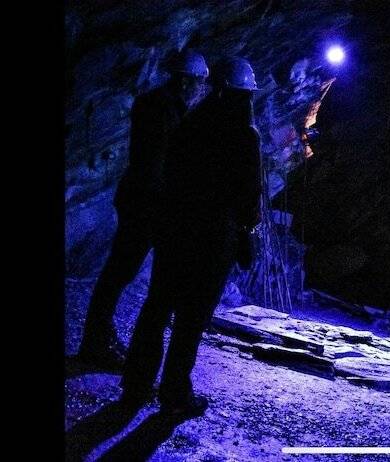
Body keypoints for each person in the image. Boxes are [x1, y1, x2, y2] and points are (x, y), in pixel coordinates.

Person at [119, 57, 262, 416]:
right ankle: (174, 391)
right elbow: (249, 193)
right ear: (242, 94)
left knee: (157, 306)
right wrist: (247, 234)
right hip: (214, 239)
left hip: (175, 230)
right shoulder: (245, 135)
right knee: (191, 319)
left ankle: (136, 384)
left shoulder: (190, 122)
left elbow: (170, 174)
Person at [77, 51, 209, 369]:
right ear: (186, 81)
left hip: (140, 199)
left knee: (120, 271)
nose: (200, 90)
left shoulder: (159, 104)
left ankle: (98, 339)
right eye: (199, 83)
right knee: (119, 272)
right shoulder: (163, 109)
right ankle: (95, 343)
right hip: (145, 203)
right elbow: (156, 164)